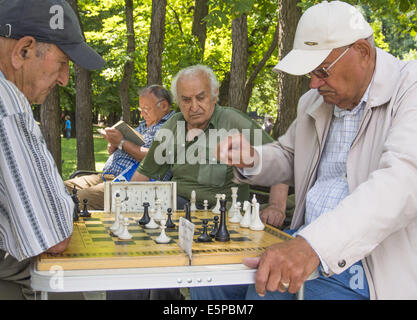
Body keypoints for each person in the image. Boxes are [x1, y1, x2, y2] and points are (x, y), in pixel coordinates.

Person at [214, 0, 417, 300]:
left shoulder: (409, 86)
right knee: (212, 280)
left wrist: (313, 246)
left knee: (265, 295)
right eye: (310, 71)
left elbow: (401, 184)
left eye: (322, 70)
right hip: (307, 239)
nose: (313, 83)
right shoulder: (313, 102)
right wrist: (253, 159)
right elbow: (290, 157)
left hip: (370, 263)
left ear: (361, 51)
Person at [131, 64, 289, 299]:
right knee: (132, 256)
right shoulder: (174, 124)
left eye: (200, 97)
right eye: (185, 100)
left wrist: (276, 206)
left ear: (214, 95)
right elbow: (144, 173)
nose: (193, 107)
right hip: (175, 209)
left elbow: (281, 161)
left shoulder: (234, 122)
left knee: (161, 254)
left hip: (219, 217)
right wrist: (122, 205)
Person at [0, 0, 104, 299]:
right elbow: (54, 236)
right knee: (61, 280)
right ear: (23, 51)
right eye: (62, 63)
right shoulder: (7, 101)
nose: (64, 79)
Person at [64, 85, 175, 210]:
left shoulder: (173, 126)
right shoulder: (145, 124)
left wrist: (121, 143)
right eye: (141, 109)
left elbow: (155, 157)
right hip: (105, 177)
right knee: (60, 188)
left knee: (76, 199)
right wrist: (114, 146)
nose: (142, 114)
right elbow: (127, 146)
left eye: (146, 109)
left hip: (129, 185)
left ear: (164, 106)